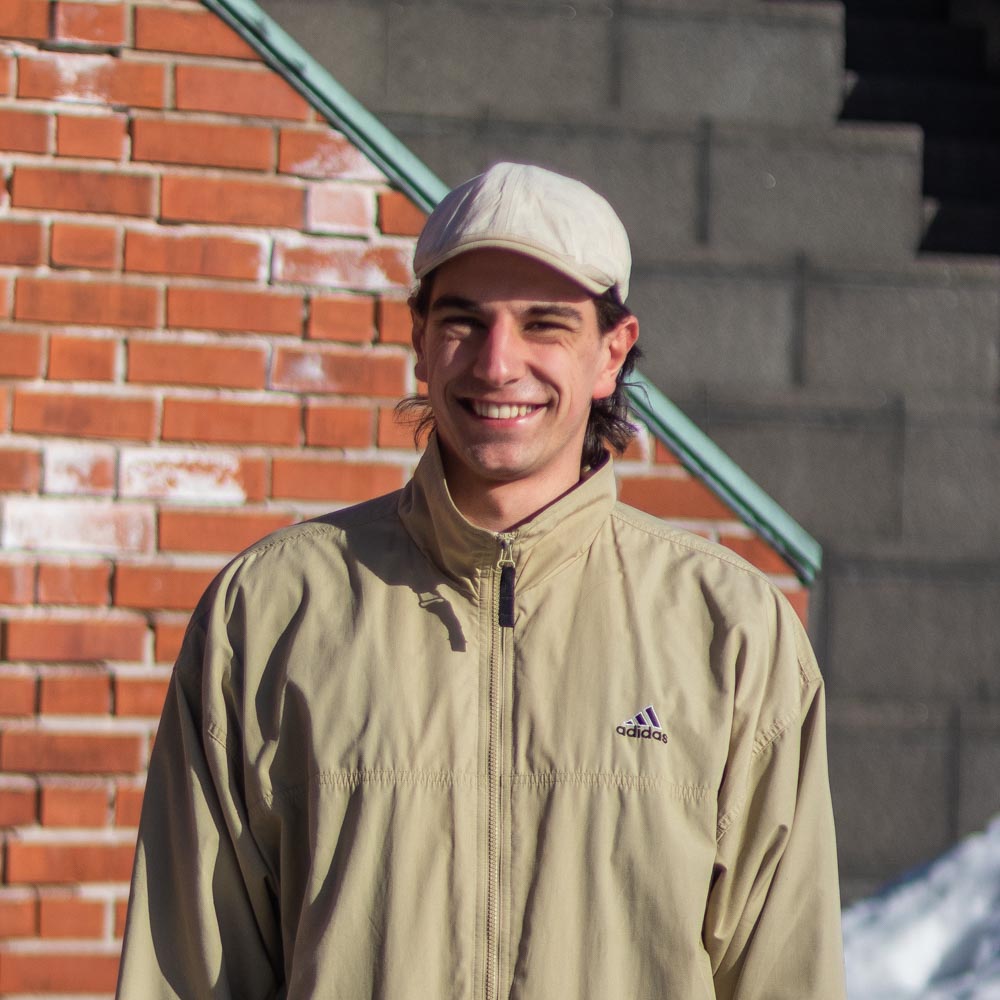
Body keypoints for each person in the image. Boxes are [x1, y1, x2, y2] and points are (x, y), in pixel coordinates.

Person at [117, 162, 846, 998]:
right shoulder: (271, 613)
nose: (498, 364)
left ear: (611, 352)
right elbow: (187, 975)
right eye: (464, 321)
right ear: (420, 339)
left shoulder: (732, 632)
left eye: (545, 325)